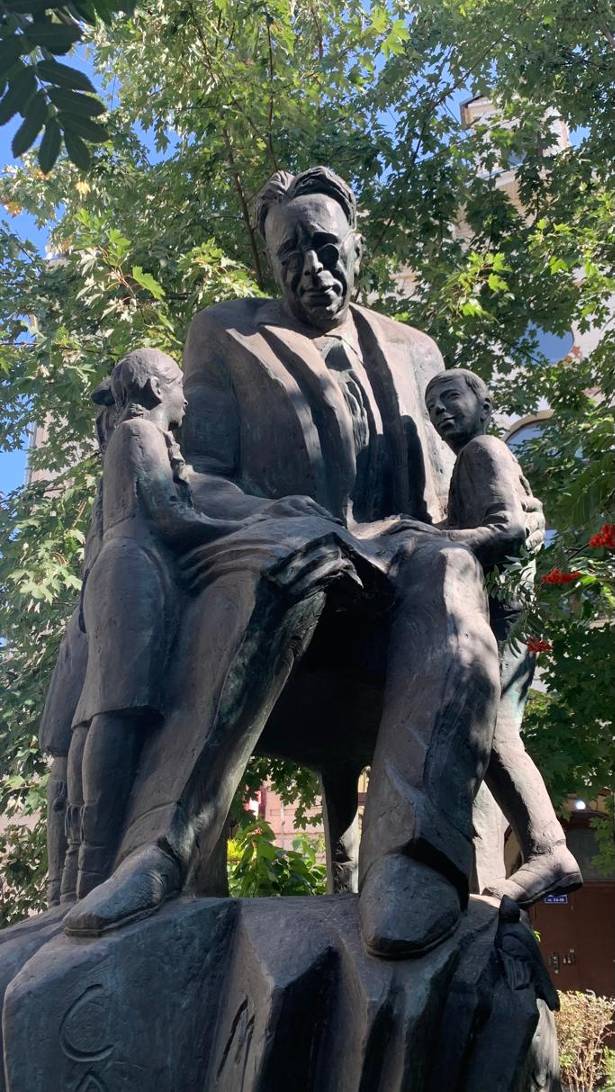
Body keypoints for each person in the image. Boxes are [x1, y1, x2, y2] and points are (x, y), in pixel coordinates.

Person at [62, 167, 545, 957]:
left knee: (451, 575)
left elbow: (445, 494)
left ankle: (413, 865)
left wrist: (505, 515)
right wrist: (281, 518)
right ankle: (163, 848)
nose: (311, 268)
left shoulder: (415, 350)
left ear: (357, 246)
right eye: (289, 253)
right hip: (276, 545)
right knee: (285, 565)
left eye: (324, 247)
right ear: (269, 261)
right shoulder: (227, 333)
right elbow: (199, 475)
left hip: (399, 557)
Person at [61, 348, 262, 917]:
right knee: (119, 707)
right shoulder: (138, 433)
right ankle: (95, 869)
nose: (186, 399)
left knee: (118, 708)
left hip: (136, 568)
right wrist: (247, 527)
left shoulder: (139, 437)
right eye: (179, 385)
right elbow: (170, 516)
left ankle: (85, 871)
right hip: (134, 570)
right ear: (155, 389)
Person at [424, 367, 582, 905]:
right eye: (433, 406)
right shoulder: (478, 458)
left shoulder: (482, 450)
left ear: (485, 404)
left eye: (450, 397)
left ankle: (549, 851)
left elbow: (507, 528)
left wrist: (428, 540)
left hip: (502, 615)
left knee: (492, 733)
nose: (441, 411)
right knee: (485, 734)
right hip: (508, 613)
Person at [39, 377, 118, 906]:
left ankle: (75, 881)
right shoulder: (116, 468)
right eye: (106, 415)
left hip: (105, 620)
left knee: (84, 750)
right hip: (87, 626)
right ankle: (60, 889)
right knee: (63, 763)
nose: (109, 421)